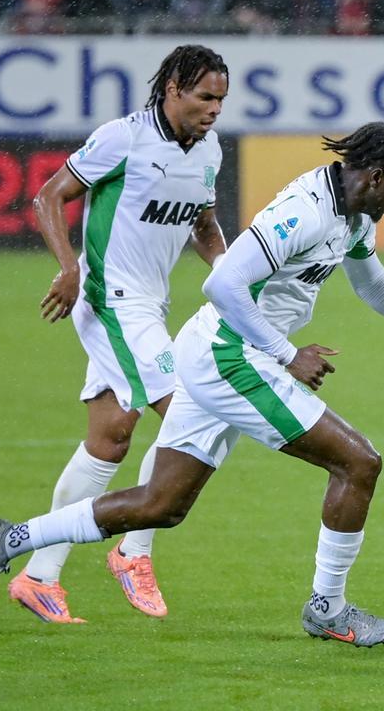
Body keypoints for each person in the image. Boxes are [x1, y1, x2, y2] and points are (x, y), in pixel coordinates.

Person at [0, 123, 384, 648]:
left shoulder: (354, 215)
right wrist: (287, 354)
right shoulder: (303, 211)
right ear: (374, 176)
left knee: (160, 504)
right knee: (358, 463)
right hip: (230, 355)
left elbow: (370, 281)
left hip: (219, 352)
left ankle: (10, 539)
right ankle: (327, 609)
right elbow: (221, 283)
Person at [17, 44, 230, 624]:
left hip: (148, 307)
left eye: (221, 100)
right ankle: (133, 552)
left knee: (110, 438)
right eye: (205, 97)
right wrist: (67, 268)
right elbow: (49, 196)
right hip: (109, 300)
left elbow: (204, 227)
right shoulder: (124, 138)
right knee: (191, 414)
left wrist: (232, 273)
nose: (214, 110)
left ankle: (39, 577)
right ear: (173, 91)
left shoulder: (208, 150)